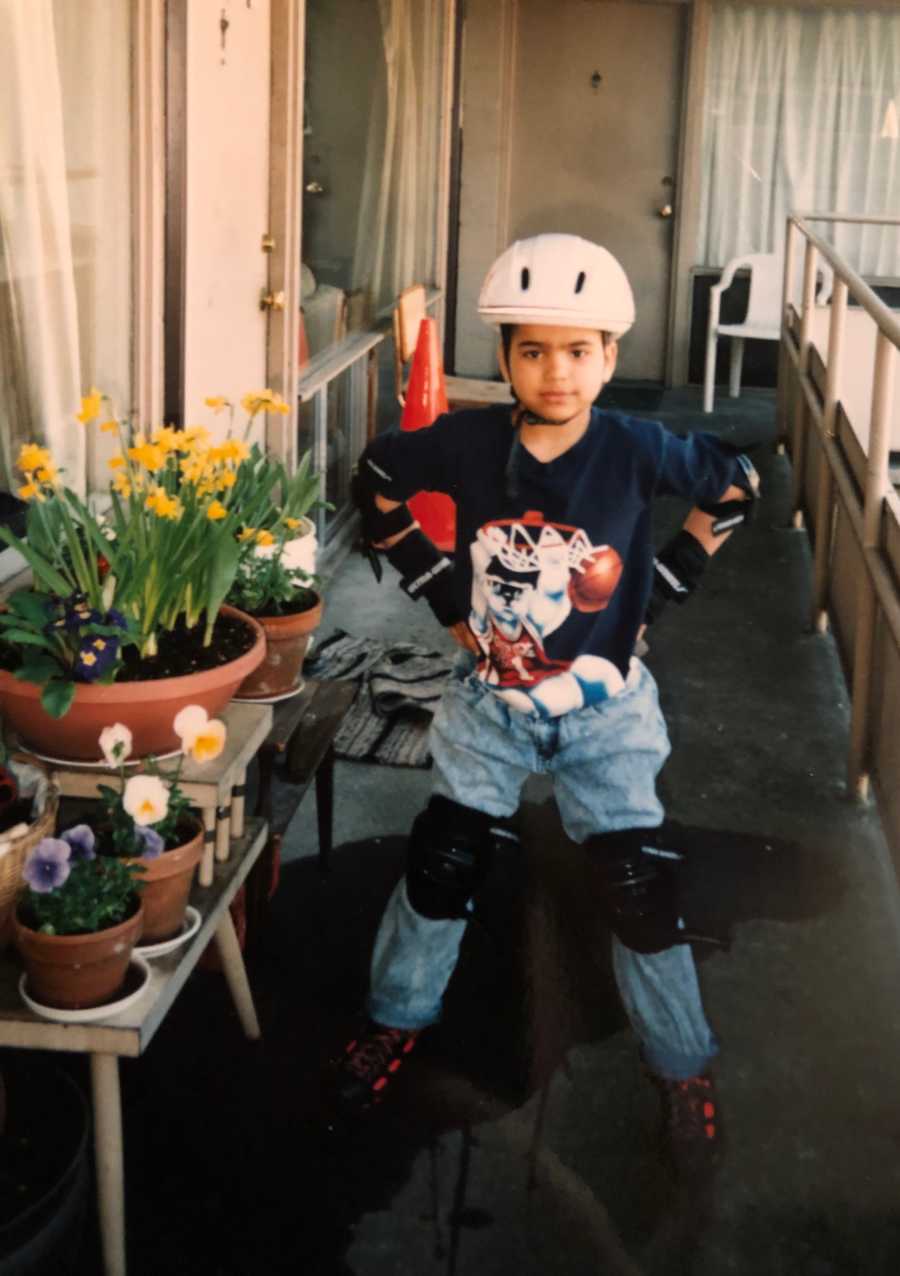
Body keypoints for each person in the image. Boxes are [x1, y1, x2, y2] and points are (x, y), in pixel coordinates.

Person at [335, 234, 758, 1177]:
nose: (556, 372)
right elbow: (377, 482)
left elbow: (736, 484)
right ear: (506, 360)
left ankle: (681, 1067)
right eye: (532, 350)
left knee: (639, 886)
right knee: (443, 862)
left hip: (606, 713)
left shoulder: (637, 447)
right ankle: (394, 1020)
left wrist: (667, 588)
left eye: (578, 351)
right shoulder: (472, 441)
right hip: (491, 705)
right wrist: (446, 600)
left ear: (610, 356)